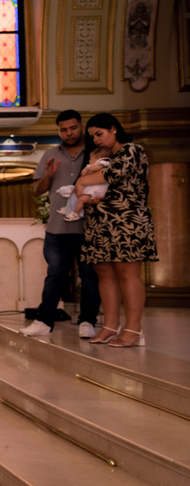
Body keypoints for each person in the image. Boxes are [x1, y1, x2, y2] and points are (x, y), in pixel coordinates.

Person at [82, 113, 158, 348]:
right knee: (103, 273)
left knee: (127, 273)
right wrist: (86, 184)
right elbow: (85, 186)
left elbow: (112, 175)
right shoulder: (102, 157)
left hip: (126, 221)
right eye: (92, 136)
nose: (95, 139)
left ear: (113, 129)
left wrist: (84, 181)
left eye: (99, 134)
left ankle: (134, 329)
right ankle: (110, 326)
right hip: (100, 222)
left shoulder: (132, 150)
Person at [26, 110, 102, 338]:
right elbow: (37, 190)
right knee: (55, 274)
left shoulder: (96, 152)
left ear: (81, 126)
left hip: (89, 227)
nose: (68, 133)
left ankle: (88, 320)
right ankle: (43, 321)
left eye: (73, 128)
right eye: (63, 129)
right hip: (57, 228)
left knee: (90, 276)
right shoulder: (50, 154)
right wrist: (48, 175)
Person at [56, 146, 111, 221]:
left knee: (81, 199)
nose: (89, 160)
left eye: (91, 158)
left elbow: (98, 168)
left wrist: (87, 169)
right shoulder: (95, 165)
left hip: (96, 191)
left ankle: (75, 213)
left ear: (98, 158)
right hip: (90, 187)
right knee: (74, 192)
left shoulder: (104, 162)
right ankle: (70, 208)